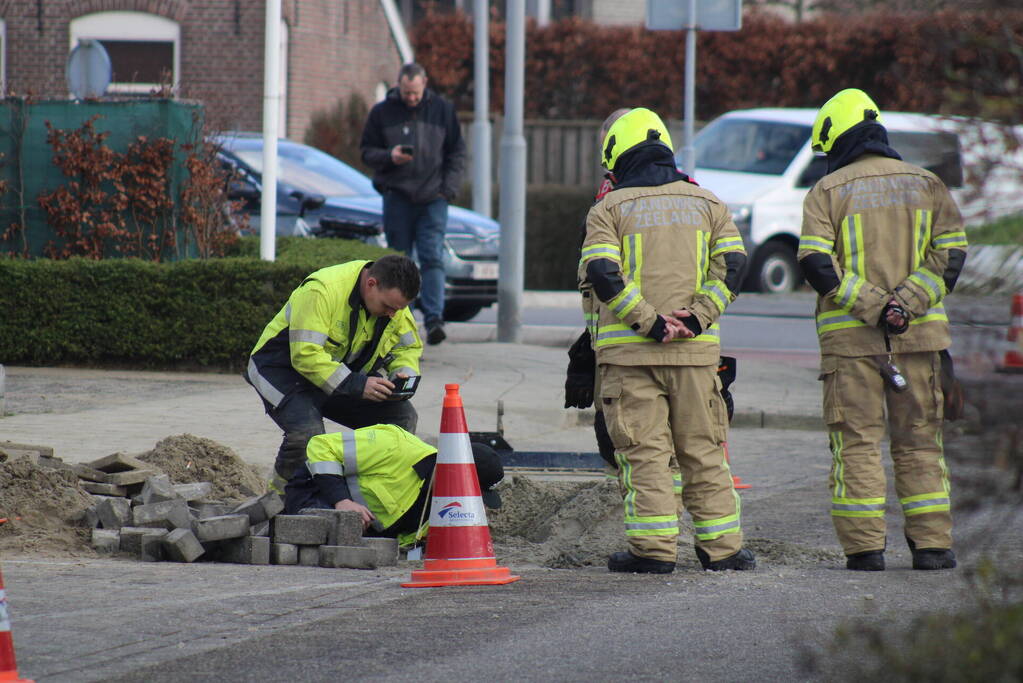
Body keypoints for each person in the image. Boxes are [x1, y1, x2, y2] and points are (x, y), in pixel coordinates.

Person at [798, 88, 967, 572]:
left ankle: (865, 551)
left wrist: (873, 307)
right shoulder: (928, 184)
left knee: (856, 444)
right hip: (921, 341)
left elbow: (815, 263)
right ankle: (933, 548)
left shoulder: (827, 192)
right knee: (919, 442)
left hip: (852, 345)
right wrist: (905, 304)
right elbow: (951, 256)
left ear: (837, 137)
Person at [580, 107, 754, 574]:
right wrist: (696, 319)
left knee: (645, 454)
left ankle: (654, 552)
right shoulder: (709, 204)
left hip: (630, 357)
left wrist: (650, 322)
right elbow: (734, 267)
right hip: (696, 357)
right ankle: (724, 551)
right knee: (703, 450)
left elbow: (602, 273)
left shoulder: (608, 209)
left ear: (617, 153)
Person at [245, 255, 424, 494]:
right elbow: (305, 356)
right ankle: (280, 500)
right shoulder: (323, 290)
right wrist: (357, 384)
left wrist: (403, 374)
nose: (393, 314)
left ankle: (365, 494)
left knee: (401, 420)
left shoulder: (392, 300)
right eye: (388, 307)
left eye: (399, 309)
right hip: (280, 369)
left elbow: (407, 347)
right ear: (371, 284)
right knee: (307, 436)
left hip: (339, 376)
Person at [360, 62, 467, 346]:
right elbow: (366, 152)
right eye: (407, 93)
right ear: (399, 85)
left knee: (432, 257)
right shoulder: (382, 112)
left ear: (425, 84)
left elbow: (457, 152)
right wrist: (388, 157)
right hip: (397, 197)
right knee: (398, 260)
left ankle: (434, 320)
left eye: (416, 93)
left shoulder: (443, 110)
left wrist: (448, 190)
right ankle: (397, 321)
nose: (411, 98)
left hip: (433, 198)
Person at [284, 424, 504, 548]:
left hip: (370, 531)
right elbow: (322, 446)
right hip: (317, 493)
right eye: (471, 494)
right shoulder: (395, 445)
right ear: (453, 474)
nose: (469, 502)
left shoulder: (444, 506)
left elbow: (409, 538)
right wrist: (342, 501)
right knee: (323, 539)